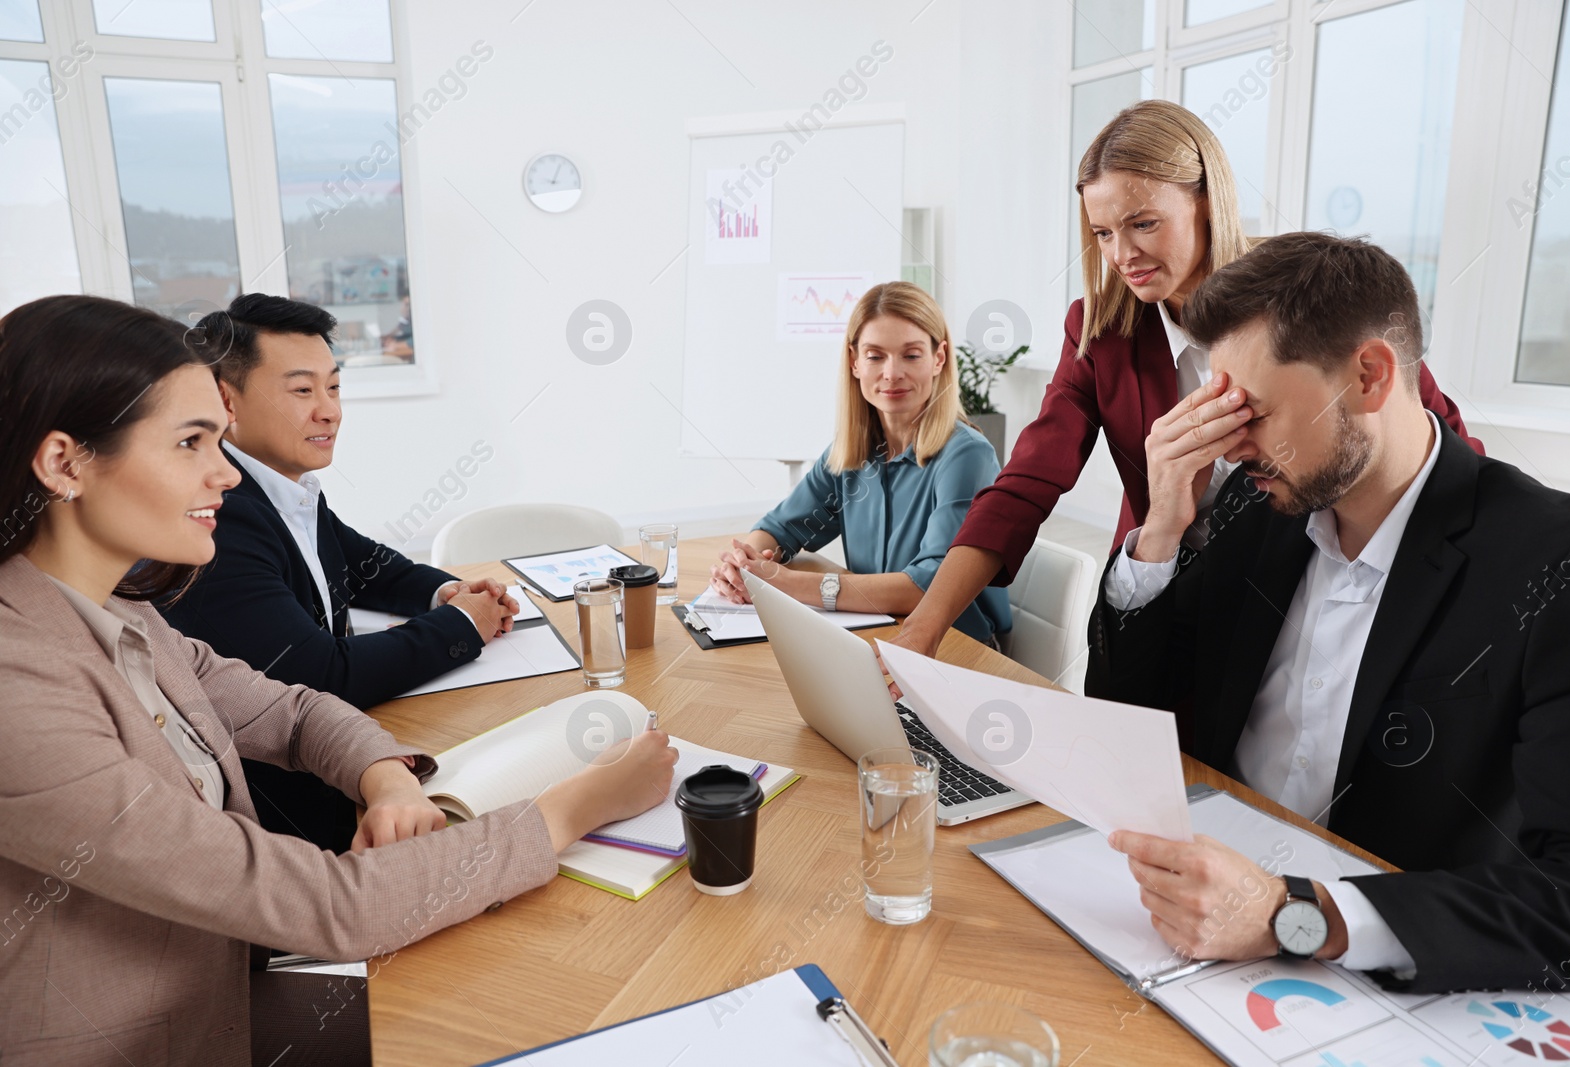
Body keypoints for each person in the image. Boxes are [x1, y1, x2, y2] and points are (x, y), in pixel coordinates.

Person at [0, 295, 677, 1066]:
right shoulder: (19, 690)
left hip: (232, 990)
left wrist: (383, 773)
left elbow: (288, 711)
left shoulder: (121, 610)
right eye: (191, 442)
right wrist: (575, 806)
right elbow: (324, 903)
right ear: (64, 461)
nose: (225, 474)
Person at [1087, 233, 1570, 994]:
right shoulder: (1251, 510)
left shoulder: (1562, 560)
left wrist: (1299, 914)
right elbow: (1126, 719)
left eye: (1252, 411)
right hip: (1190, 930)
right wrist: (1162, 529)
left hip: (1393, 979)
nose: (1232, 446)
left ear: (1369, 375)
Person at [885, 100, 1479, 665]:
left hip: (1295, 597)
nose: (1123, 254)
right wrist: (924, 627)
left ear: (1207, 202)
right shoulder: (1099, 329)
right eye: (1102, 233)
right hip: (1157, 587)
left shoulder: (1301, 294)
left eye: (1143, 223)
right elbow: (1026, 484)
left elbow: (1437, 436)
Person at [160, 293, 513, 853]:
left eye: (334, 387)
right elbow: (319, 674)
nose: (330, 410)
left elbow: (365, 563)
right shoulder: (216, 520)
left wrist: (446, 590)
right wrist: (463, 626)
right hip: (297, 819)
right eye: (302, 390)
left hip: (349, 755)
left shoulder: (281, 484)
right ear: (226, 401)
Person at [709, 281, 1011, 644]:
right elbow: (781, 528)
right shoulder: (853, 452)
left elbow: (928, 585)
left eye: (911, 355)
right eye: (875, 356)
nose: (891, 373)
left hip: (956, 647)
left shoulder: (967, 455)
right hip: (879, 632)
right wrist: (745, 566)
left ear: (939, 359)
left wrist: (789, 584)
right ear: (854, 362)